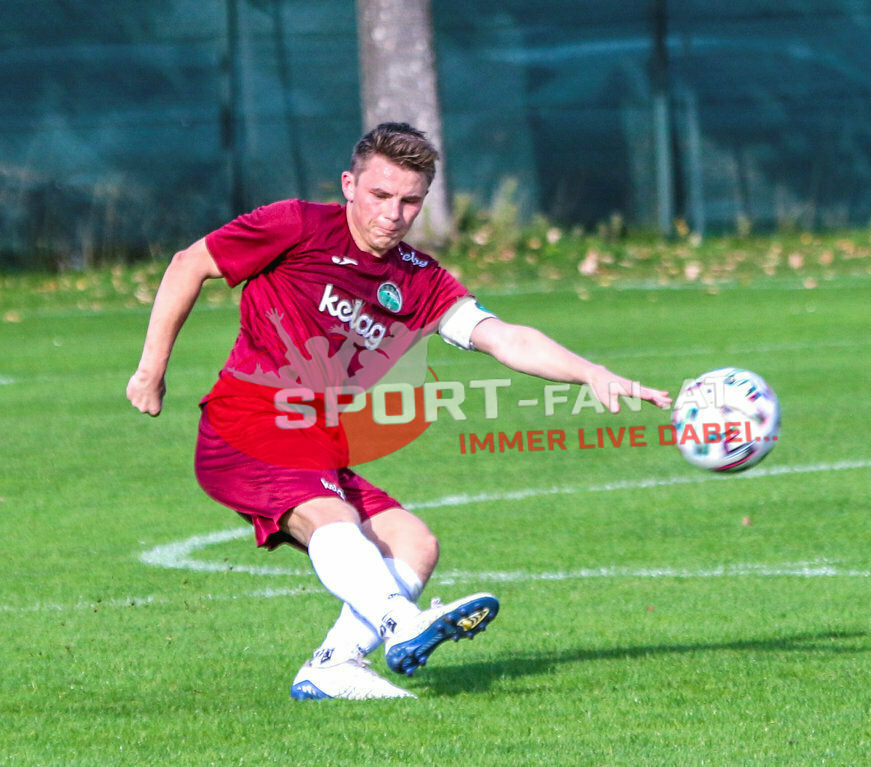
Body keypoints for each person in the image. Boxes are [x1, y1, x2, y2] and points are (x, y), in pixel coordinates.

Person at [127, 122, 671, 700]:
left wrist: (590, 372)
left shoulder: (418, 279)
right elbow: (191, 262)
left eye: (410, 200)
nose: (393, 213)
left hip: (315, 443)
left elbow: (503, 337)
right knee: (331, 522)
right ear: (349, 185)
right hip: (247, 427)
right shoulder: (297, 226)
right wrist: (150, 370)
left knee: (414, 544)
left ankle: (333, 665)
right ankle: (398, 623)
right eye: (380, 195)